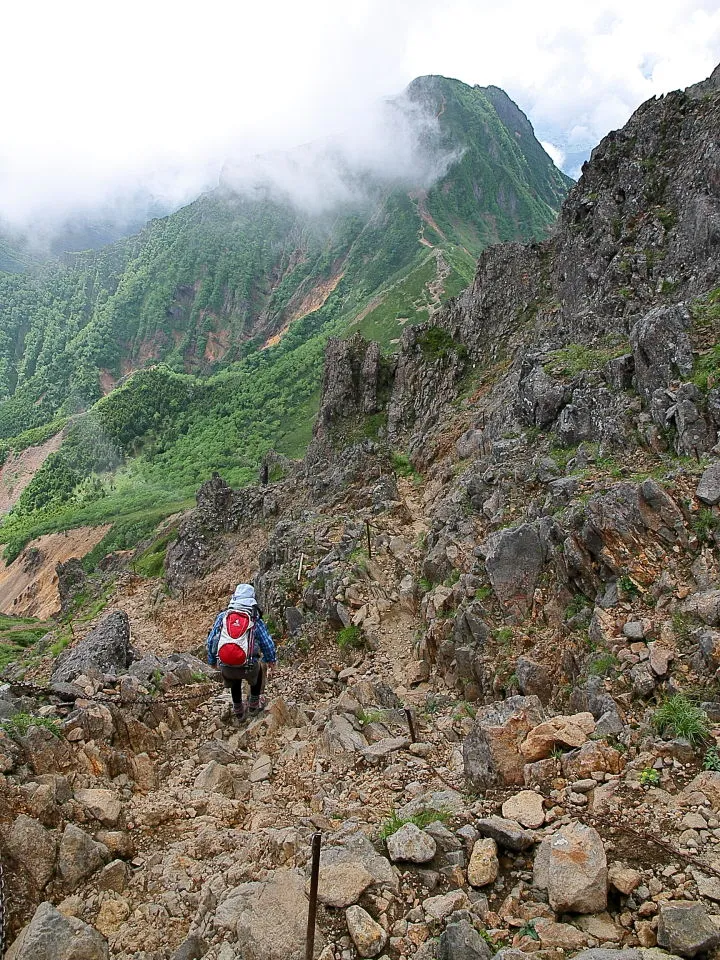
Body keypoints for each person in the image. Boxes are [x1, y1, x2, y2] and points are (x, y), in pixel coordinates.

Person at [206, 583, 277, 721]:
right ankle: (253, 705)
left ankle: (238, 710)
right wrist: (271, 660)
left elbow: (211, 641)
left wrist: (212, 661)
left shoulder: (223, 617)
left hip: (226, 667)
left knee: (234, 679)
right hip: (249, 668)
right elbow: (266, 643)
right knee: (259, 668)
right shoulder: (254, 618)